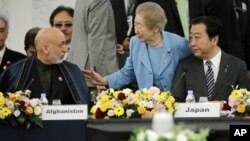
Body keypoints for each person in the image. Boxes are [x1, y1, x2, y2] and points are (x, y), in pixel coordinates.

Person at [84, 2, 191, 91]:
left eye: (140, 26)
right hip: (146, 104)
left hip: (175, 103)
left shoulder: (179, 44)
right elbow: (128, 73)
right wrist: (104, 80)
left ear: (156, 28)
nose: (136, 31)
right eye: (135, 25)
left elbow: (194, 68)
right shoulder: (135, 43)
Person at [0, 27, 90, 105]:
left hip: (64, 124)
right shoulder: (15, 71)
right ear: (45, 49)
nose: (66, 49)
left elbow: (83, 105)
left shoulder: (72, 70)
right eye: (61, 45)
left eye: (65, 44)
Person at [172, 16, 250, 102]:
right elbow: (176, 99)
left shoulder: (237, 66)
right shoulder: (185, 66)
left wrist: (225, 105)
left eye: (197, 37)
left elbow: (245, 102)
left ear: (214, 40)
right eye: (191, 37)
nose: (192, 43)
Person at [67, 0, 119, 78]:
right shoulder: (99, 1)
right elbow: (97, 41)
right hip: (95, 72)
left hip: (79, 67)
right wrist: (99, 76)